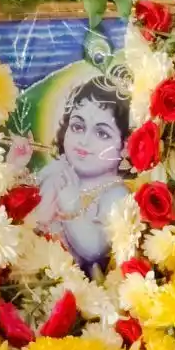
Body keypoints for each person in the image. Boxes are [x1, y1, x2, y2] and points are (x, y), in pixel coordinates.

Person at [31, 76, 130, 271]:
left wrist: (71, 208)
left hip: (76, 283)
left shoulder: (115, 194)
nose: (84, 141)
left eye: (101, 133)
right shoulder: (57, 171)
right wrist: (16, 165)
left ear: (125, 146)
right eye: (78, 127)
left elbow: (94, 250)